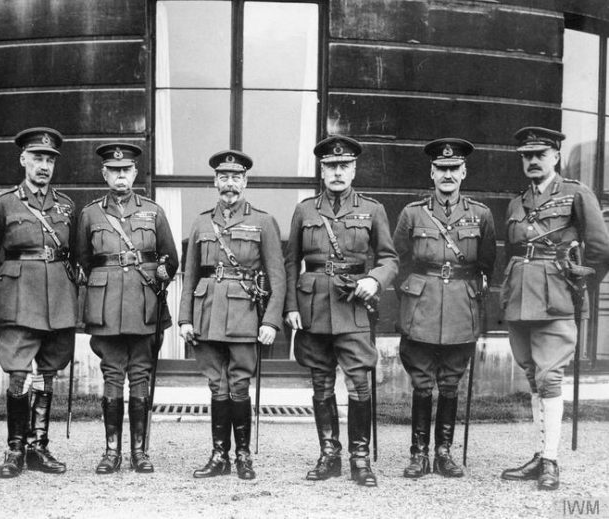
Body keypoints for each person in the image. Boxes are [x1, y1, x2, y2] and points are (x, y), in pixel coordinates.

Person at [284, 135, 398, 487]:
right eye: (331, 166)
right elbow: (291, 262)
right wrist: (290, 307)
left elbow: (389, 258)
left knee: (359, 384)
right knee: (320, 383)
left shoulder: (372, 209)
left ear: (354, 169)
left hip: (354, 305)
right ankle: (328, 455)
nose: (337, 172)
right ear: (322, 170)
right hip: (313, 306)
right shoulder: (305, 210)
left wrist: (375, 280)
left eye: (344, 166)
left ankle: (359, 460)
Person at [500, 127, 609, 491]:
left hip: (557, 299)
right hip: (519, 298)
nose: (532, 161)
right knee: (533, 377)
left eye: (540, 155)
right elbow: (512, 251)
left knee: (550, 378)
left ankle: (551, 461)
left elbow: (599, 248)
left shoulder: (577, 193)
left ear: (555, 157)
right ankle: (538, 454)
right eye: (526, 156)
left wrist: (580, 286)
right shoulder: (517, 202)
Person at [0, 127, 78, 479]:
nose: (44, 165)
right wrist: (6, 288)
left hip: (57, 299)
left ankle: (38, 446)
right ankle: (15, 448)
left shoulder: (65, 205)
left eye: (49, 159)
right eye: (37, 158)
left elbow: (74, 254)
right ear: (23, 160)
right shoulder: (3, 203)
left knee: (48, 372)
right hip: (19, 299)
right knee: (18, 373)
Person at [179, 150, 286, 480]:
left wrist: (270, 321)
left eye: (236, 178)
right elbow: (190, 276)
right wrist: (184, 319)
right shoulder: (200, 222)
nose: (230, 184)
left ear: (246, 182)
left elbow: (278, 277)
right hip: (206, 314)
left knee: (239, 385)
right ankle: (218, 456)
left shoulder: (264, 222)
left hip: (244, 315)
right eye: (223, 178)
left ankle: (242, 456)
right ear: (215, 182)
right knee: (216, 385)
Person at [393, 138, 496, 479]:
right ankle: (419, 453)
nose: (448, 175)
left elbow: (486, 264)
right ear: (432, 172)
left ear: (464, 172)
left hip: (460, 308)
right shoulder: (412, 214)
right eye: (442, 169)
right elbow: (399, 260)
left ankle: (444, 453)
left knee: (450, 383)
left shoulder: (480, 215)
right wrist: (412, 294)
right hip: (421, 306)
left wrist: (474, 298)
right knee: (422, 383)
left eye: (454, 169)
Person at [76, 143, 178, 474]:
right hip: (105, 307)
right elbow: (81, 260)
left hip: (144, 303)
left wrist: (161, 274)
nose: (120, 175)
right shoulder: (90, 214)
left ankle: (138, 452)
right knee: (111, 375)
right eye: (114, 170)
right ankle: (110, 452)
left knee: (140, 374)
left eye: (126, 170)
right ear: (104, 174)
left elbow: (170, 258)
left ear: (134, 173)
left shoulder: (153, 211)